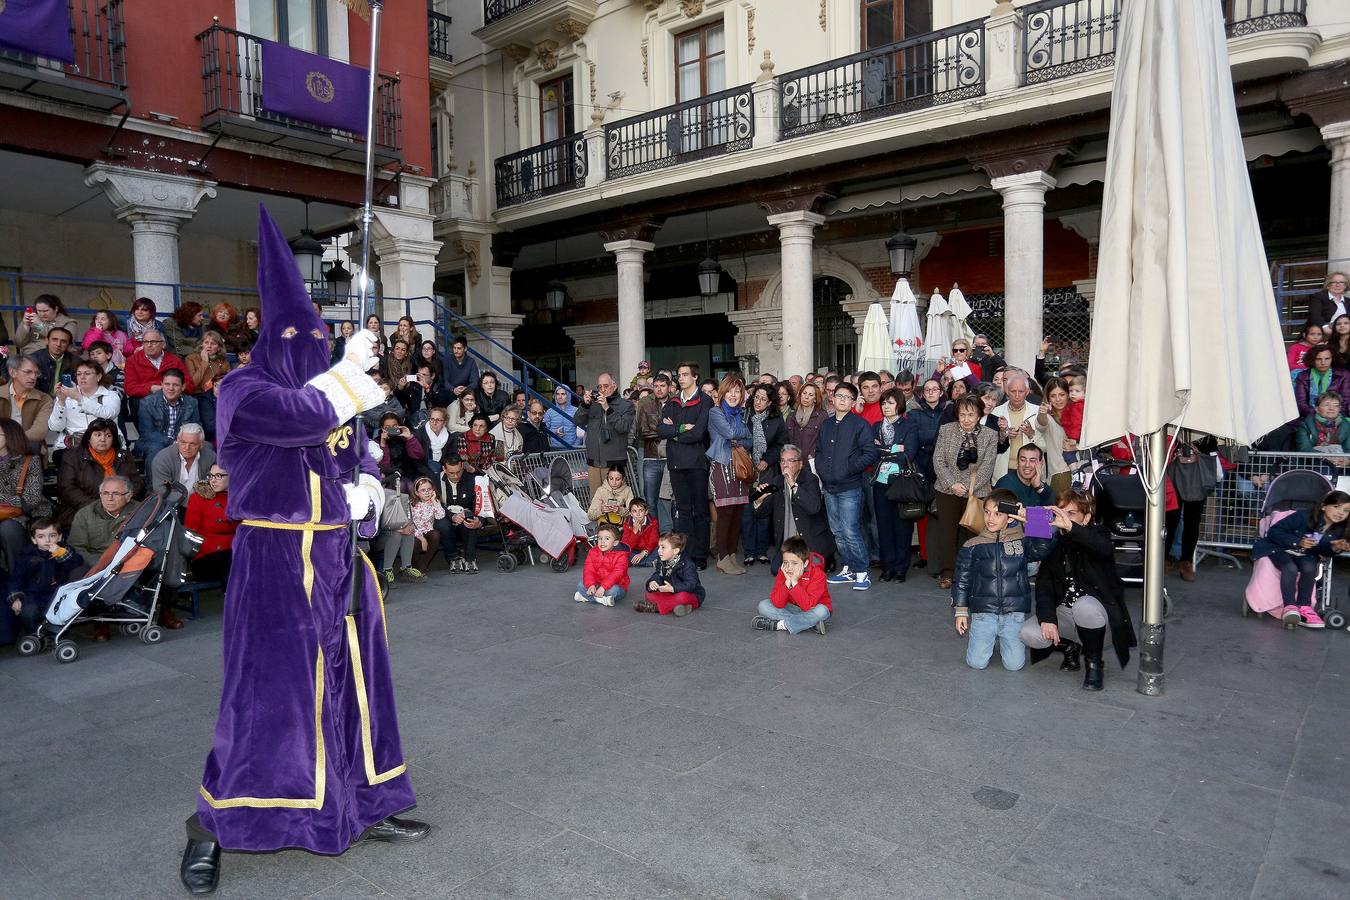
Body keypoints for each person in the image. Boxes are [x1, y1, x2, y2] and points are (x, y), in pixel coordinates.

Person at [183, 210, 425, 895]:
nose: (309, 345)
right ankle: (215, 825)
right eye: (297, 335)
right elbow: (302, 422)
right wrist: (347, 378)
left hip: (341, 561)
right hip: (277, 564)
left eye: (318, 337)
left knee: (355, 685)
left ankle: (360, 801)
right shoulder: (243, 390)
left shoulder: (333, 390)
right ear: (268, 337)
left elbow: (362, 451)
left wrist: (370, 490)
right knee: (271, 700)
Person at [1020, 490, 1136, 690]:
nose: (1064, 517)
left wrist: (1071, 527)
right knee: (1028, 633)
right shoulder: (1054, 542)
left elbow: (1102, 548)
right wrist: (1048, 618)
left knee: (1084, 607)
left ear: (1087, 517)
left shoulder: (1099, 534)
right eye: (1060, 512)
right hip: (1065, 613)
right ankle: (1070, 647)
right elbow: (1044, 584)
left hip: (1098, 618)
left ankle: (1094, 664)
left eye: (1071, 513)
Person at [952, 489, 1036, 671]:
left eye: (998, 514)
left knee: (1015, 665)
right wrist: (961, 611)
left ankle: (1004, 641)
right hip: (984, 613)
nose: (990, 518)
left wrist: (1028, 515)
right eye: (987, 512)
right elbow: (961, 580)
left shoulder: (1022, 541)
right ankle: (987, 640)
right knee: (976, 663)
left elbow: (1045, 543)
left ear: (1011, 517)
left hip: (1013, 613)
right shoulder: (973, 545)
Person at [1251, 488, 1349, 629]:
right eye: (1337, 507)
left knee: (1310, 568)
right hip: (1279, 548)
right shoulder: (1303, 516)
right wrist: (1298, 541)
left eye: (1346, 511)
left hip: (1305, 553)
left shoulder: (1338, 529)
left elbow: (1323, 550)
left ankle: (1305, 607)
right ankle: (1290, 607)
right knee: (1290, 567)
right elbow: (1274, 531)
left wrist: (1336, 547)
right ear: (1323, 506)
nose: (1340, 513)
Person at [816, 381, 879, 591]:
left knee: (851, 530)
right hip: (829, 486)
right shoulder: (826, 424)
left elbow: (870, 454)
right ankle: (849, 568)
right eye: (839, 396)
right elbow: (819, 451)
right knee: (837, 530)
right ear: (832, 399)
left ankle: (862, 571)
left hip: (850, 486)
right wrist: (822, 470)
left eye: (847, 397)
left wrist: (849, 468)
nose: (842, 400)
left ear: (853, 402)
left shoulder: (860, 425)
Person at [932, 396, 998, 590]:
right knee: (947, 533)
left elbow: (987, 466)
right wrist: (952, 484)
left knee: (974, 532)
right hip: (946, 489)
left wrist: (969, 487)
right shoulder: (946, 430)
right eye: (962, 414)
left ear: (979, 415)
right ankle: (947, 573)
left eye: (971, 415)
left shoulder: (990, 435)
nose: (966, 419)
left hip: (977, 491)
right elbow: (938, 460)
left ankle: (972, 573)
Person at [657, 362, 712, 570]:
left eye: (685, 374)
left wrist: (675, 435)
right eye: (679, 375)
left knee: (700, 511)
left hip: (697, 463)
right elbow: (661, 429)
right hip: (677, 464)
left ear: (695, 377)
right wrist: (680, 429)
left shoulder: (704, 401)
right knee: (682, 511)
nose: (681, 378)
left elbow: (699, 433)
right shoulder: (672, 402)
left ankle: (699, 556)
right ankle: (684, 554)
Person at [751, 443, 834, 572]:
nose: (785, 464)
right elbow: (761, 514)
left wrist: (793, 485)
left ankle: (827, 557)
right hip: (788, 544)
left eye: (790, 460)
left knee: (808, 570)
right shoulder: (776, 482)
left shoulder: (810, 479)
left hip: (808, 542)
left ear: (800, 464)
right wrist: (759, 500)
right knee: (776, 570)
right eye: (782, 461)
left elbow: (814, 507)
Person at [870, 389, 923, 583]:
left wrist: (884, 449)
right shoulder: (875, 426)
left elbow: (908, 453)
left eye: (890, 403)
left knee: (902, 526)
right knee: (883, 526)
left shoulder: (909, 425)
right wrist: (894, 448)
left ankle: (901, 568)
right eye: (884, 403)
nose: (886, 406)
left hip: (901, 482)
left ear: (899, 404)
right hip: (880, 482)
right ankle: (888, 566)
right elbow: (872, 451)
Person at [56, 418, 142, 529]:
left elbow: (136, 484)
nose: (103, 439)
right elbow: (67, 489)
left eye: (108, 436)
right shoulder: (72, 457)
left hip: (121, 511)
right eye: (98, 435)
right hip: (83, 512)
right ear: (89, 438)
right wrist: (100, 507)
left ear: (114, 439)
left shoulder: (124, 456)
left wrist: (120, 502)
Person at [6, 518, 83, 640]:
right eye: (41, 536)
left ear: (59, 537)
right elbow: (16, 578)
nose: (47, 540)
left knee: (61, 612)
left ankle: (55, 633)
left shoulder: (63, 550)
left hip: (56, 594)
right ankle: (35, 635)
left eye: (52, 536)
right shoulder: (26, 556)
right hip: (32, 595)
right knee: (28, 612)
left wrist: (60, 553)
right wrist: (15, 598)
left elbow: (77, 562)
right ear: (34, 540)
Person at [706, 375, 752, 576]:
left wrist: (738, 435)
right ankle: (722, 557)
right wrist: (738, 434)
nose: (734, 395)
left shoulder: (739, 414)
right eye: (731, 391)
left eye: (738, 391)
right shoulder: (715, 412)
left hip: (740, 469)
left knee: (737, 514)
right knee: (725, 515)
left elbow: (749, 440)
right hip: (723, 467)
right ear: (723, 392)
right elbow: (731, 433)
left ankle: (732, 555)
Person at [749, 535, 831, 635]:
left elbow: (807, 606)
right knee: (763, 605)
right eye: (785, 562)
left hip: (813, 608)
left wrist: (795, 583)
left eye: (794, 563)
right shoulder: (783, 572)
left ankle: (780, 625)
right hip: (792, 608)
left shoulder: (818, 575)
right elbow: (777, 603)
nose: (789, 567)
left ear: (805, 564)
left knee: (822, 611)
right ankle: (810, 624)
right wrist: (787, 583)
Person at [742, 383, 786, 567]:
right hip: (745, 469)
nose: (758, 402)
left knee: (763, 509)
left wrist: (766, 460)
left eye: (763, 399)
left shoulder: (776, 419)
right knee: (747, 512)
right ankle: (749, 552)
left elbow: (780, 444)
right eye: (757, 397)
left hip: (766, 470)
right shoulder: (745, 415)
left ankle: (761, 551)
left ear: (770, 403)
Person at [0, 417, 51, 574]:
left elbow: (31, 499)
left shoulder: (30, 460)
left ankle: (19, 579)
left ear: (10, 436)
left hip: (27, 516)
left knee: (8, 529)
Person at [906, 378, 946, 570]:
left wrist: (926, 438)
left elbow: (943, 438)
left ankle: (940, 555)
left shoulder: (948, 411)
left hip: (943, 468)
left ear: (941, 392)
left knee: (941, 514)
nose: (930, 392)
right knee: (922, 515)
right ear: (922, 394)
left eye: (934, 389)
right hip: (920, 468)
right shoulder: (914, 413)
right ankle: (924, 554)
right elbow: (915, 438)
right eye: (927, 390)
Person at [573, 372, 635, 495]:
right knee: (596, 503)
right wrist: (585, 405)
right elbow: (577, 421)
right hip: (594, 463)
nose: (602, 390)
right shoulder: (593, 404)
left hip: (614, 464)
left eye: (606, 386)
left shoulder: (626, 405)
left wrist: (608, 409)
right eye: (599, 387)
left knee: (615, 504)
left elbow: (623, 427)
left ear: (615, 386)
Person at [48, 360, 122, 450]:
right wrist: (61, 401)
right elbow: (55, 427)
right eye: (79, 374)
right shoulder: (67, 396)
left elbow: (108, 414)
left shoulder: (110, 395)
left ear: (98, 376)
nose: (82, 377)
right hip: (73, 447)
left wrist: (79, 398)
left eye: (87, 373)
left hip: (104, 445)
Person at [184, 465, 237, 583]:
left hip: (234, 551)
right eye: (211, 476)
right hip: (206, 557)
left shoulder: (239, 498)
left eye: (218, 476)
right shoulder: (197, 498)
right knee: (234, 560)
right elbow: (191, 535)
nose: (212, 480)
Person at [136, 369, 201, 463]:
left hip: (183, 441)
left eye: (176, 385)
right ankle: (153, 478)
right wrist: (172, 442)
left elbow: (197, 428)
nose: (171, 388)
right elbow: (148, 433)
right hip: (154, 442)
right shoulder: (147, 403)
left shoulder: (191, 403)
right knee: (156, 448)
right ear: (161, 385)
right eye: (167, 384)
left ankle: (202, 477)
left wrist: (185, 442)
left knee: (206, 446)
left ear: (183, 387)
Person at [433, 455, 483, 573]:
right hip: (445, 516)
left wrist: (480, 521)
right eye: (451, 473)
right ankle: (453, 557)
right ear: (444, 470)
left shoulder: (472, 479)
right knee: (443, 524)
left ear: (462, 468)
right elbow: (433, 505)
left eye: (458, 472)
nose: (456, 476)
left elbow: (481, 504)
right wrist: (451, 515)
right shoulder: (435, 480)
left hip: (466, 516)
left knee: (471, 520)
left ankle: (470, 558)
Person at [636, 374, 672, 532]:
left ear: (669, 387)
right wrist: (667, 431)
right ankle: (653, 536)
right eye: (656, 386)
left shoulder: (676, 403)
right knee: (650, 500)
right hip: (651, 458)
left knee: (671, 500)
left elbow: (682, 429)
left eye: (662, 386)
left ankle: (670, 536)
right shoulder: (646, 404)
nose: (659, 389)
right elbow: (642, 433)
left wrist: (671, 430)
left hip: (672, 457)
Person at [150, 423, 216, 511]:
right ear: (177, 440)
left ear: (201, 444)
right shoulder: (163, 459)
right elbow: (160, 490)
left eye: (193, 444)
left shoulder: (210, 457)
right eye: (183, 442)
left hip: (202, 504)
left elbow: (214, 484)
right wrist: (189, 503)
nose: (187, 448)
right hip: (171, 506)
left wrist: (200, 502)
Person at [635, 531, 703, 616]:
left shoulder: (688, 565)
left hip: (690, 593)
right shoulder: (662, 560)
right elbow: (658, 574)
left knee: (683, 597)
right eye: (659, 547)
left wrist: (672, 589)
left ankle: (655, 608)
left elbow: (691, 585)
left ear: (675, 551)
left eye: (663, 547)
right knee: (649, 594)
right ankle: (681, 607)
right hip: (669, 592)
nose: (659, 551)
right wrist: (653, 582)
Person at [991, 373, 1039, 482]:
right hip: (1003, 471)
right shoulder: (996, 412)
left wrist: (1031, 434)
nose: (1017, 395)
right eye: (1013, 391)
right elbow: (990, 446)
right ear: (1007, 391)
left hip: (1031, 472)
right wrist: (1003, 435)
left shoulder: (1037, 412)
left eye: (1021, 391)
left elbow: (1046, 446)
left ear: (1027, 392)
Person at [186, 330, 231, 440]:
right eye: (206, 343)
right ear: (202, 344)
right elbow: (193, 385)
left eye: (213, 344)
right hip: (198, 396)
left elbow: (227, 383)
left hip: (217, 396)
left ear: (219, 347)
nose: (209, 346)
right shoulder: (191, 358)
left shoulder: (223, 361)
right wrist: (204, 363)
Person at [124, 329, 195, 399]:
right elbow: (129, 387)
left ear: (163, 344)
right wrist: (150, 388)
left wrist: (173, 388)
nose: (149, 345)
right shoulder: (132, 360)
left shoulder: (175, 360)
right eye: (145, 342)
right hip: (145, 397)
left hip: (172, 397)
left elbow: (189, 384)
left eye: (153, 342)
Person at [1033, 377, 1074, 496]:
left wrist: (1076, 447)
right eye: (1053, 396)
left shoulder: (1078, 414)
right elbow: (1041, 423)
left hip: (1083, 471)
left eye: (1062, 394)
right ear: (1048, 398)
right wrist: (1042, 413)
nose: (1058, 399)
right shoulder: (1048, 418)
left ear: (1068, 394)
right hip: (1060, 474)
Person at [575, 523, 629, 607]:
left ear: (615, 542)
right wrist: (591, 585)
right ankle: (602, 600)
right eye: (600, 538)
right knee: (580, 584)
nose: (602, 542)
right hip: (597, 583)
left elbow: (617, 574)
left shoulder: (622, 555)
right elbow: (589, 570)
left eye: (607, 538)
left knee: (614, 591)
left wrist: (603, 587)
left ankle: (586, 597)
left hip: (615, 585)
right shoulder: (592, 551)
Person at [1294, 344, 1350, 418]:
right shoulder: (1303, 376)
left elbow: (1346, 402)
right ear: (1312, 360)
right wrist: (1320, 414)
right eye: (1318, 359)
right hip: (1310, 417)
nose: (1323, 362)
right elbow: (1301, 403)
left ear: (1332, 359)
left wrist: (1331, 415)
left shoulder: (1343, 374)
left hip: (1338, 417)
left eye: (1327, 359)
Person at [995, 444, 1056, 509]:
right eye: (1023, 460)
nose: (1027, 465)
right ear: (1017, 462)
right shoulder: (1006, 484)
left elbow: (1052, 511)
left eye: (1032, 460)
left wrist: (1038, 487)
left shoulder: (1038, 483)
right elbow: (1010, 516)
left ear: (1041, 463)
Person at [377, 412, 425, 490]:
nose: (391, 429)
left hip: (409, 473)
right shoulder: (377, 441)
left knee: (412, 484)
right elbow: (384, 466)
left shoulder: (405, 437)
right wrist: (383, 444)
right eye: (387, 427)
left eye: (394, 426)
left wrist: (410, 439)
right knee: (402, 484)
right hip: (390, 475)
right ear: (382, 428)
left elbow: (419, 456)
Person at [27, 325, 81, 395]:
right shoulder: (33, 360)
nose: (58, 344)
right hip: (40, 400)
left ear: (68, 345)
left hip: (67, 400)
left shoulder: (76, 362)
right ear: (47, 341)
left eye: (63, 341)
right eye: (54, 339)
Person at [408, 476, 445, 573]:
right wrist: (422, 538)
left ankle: (423, 565)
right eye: (423, 490)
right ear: (417, 493)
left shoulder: (434, 502)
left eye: (429, 489)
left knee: (435, 535)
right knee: (414, 543)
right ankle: (416, 566)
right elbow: (409, 522)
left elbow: (440, 516)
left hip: (428, 530)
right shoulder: (411, 504)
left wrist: (434, 501)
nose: (427, 492)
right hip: (414, 532)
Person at [785, 381, 827, 460]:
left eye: (810, 395)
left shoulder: (822, 416)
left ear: (815, 399)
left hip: (812, 461)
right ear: (800, 395)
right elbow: (787, 440)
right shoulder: (791, 416)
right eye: (804, 393)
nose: (806, 397)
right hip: (794, 460)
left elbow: (824, 442)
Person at [414, 407, 454, 475]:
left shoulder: (448, 436)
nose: (434, 423)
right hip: (422, 472)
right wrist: (429, 473)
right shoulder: (419, 434)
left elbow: (448, 458)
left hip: (441, 471)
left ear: (444, 422)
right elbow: (416, 460)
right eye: (432, 419)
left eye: (438, 420)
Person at [621, 497, 659, 567]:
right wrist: (634, 532)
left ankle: (636, 562)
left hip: (648, 550)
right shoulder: (627, 524)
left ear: (646, 512)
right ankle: (648, 563)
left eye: (641, 511)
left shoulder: (653, 522)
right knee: (621, 551)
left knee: (660, 549)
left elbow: (654, 541)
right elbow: (626, 546)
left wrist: (644, 553)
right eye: (634, 511)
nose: (638, 514)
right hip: (634, 551)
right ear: (631, 514)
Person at [440, 335, 480, 401]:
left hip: (467, 393)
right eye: (454, 348)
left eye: (459, 348)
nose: (456, 351)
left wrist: (466, 389)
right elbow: (445, 381)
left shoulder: (471, 361)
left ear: (465, 349)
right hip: (450, 393)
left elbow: (475, 381)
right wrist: (453, 389)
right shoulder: (446, 361)